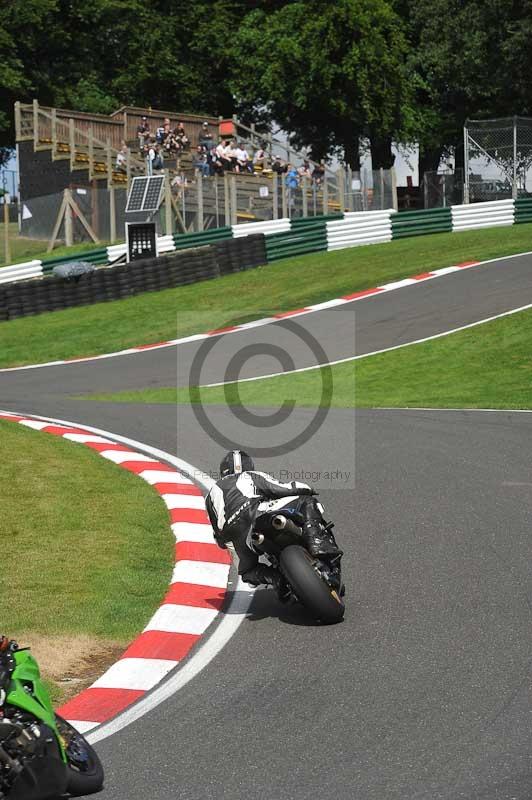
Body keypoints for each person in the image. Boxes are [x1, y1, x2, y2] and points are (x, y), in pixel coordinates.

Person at [205, 450, 341, 589]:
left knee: (247, 573)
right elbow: (282, 489)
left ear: (223, 471)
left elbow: (218, 537)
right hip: (256, 513)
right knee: (307, 502)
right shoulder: (250, 475)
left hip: (233, 537)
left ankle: (276, 579)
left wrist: (229, 541)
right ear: (249, 466)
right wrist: (307, 489)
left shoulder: (209, 497)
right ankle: (318, 545)